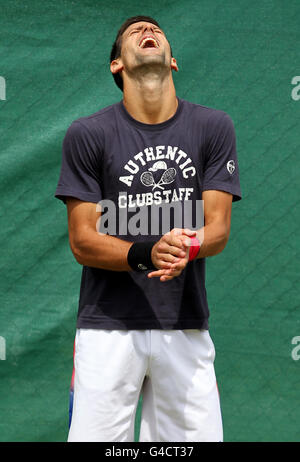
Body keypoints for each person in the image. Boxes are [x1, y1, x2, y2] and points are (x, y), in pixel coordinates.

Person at [55, 15, 242, 442]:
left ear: (173, 61)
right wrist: (145, 253)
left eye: (156, 30)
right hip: (106, 328)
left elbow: (218, 228)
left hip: (185, 326)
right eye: (134, 33)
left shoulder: (213, 127)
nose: (148, 32)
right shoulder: (88, 134)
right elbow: (83, 241)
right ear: (116, 65)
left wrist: (186, 248)